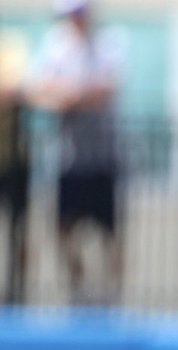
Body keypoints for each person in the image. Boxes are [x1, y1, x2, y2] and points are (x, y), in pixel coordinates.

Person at [25, 0, 123, 305]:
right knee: (63, 226)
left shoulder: (110, 44)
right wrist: (66, 95)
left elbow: (105, 89)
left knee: (110, 230)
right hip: (69, 157)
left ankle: (111, 293)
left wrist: (72, 96)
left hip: (103, 155)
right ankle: (79, 288)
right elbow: (40, 89)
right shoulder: (56, 45)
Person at [0, 29, 30, 304]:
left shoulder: (11, 46)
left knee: (18, 229)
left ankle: (16, 293)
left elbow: (14, 89)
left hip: (12, 159)